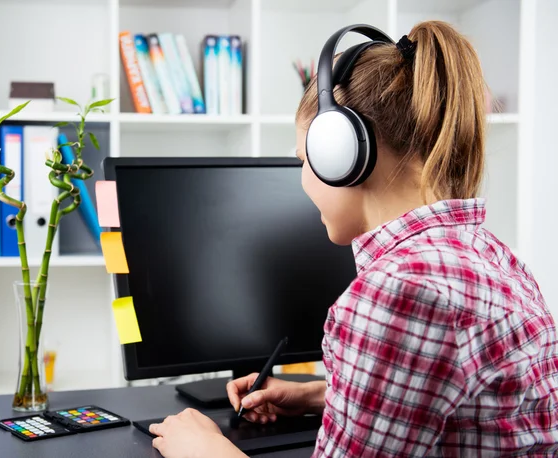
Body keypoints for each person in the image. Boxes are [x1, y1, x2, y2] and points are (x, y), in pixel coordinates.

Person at [149, 20, 558, 457]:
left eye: (304, 158)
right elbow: (464, 396)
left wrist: (202, 448)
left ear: (342, 154)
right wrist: (322, 394)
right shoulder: (491, 254)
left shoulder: (396, 291)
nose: (303, 178)